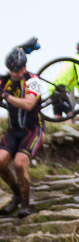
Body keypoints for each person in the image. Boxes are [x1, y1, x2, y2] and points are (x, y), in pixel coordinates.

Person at [0, 47, 44, 218]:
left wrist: (7, 96)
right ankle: (17, 194)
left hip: (32, 130)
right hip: (13, 131)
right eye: (11, 71)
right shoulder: (5, 80)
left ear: (24, 68)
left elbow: (28, 104)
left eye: (17, 71)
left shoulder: (33, 81)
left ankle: (25, 204)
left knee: (19, 164)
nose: (14, 74)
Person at [51, 42, 79, 120]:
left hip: (55, 88)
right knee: (70, 113)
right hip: (60, 88)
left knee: (57, 115)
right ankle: (69, 127)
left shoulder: (74, 59)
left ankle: (57, 126)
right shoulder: (78, 60)